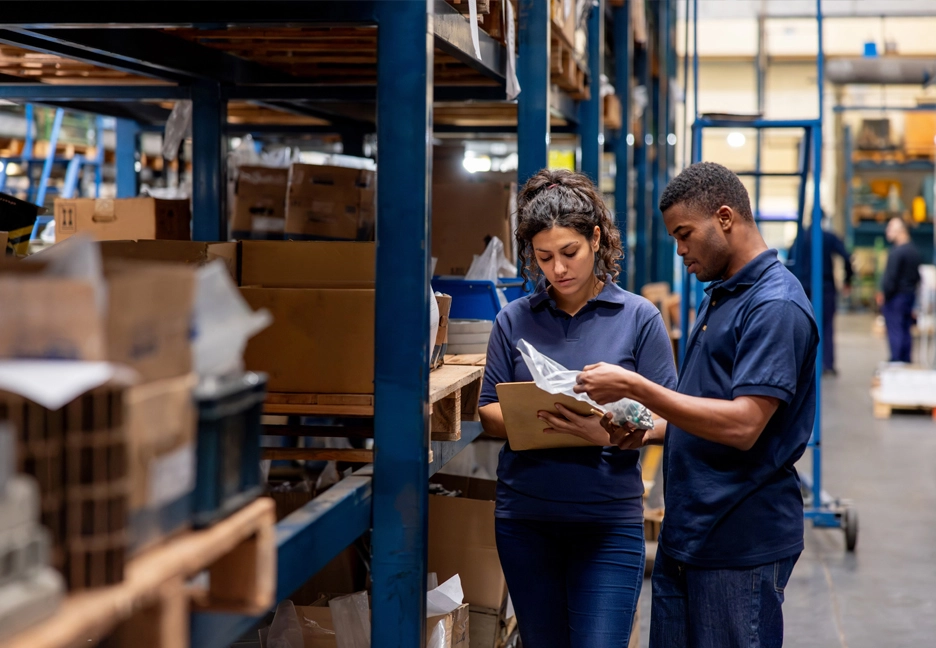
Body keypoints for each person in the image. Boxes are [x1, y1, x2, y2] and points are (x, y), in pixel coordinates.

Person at [574, 162, 819, 648]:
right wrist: (643, 428)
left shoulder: (774, 305)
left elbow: (745, 424)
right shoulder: (722, 295)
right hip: (689, 534)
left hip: (739, 543)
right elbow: (704, 409)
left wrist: (637, 387)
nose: (680, 250)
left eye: (684, 235)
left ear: (725, 217)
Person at [478, 168, 677, 648]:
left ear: (595, 239)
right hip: (526, 519)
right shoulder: (514, 319)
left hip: (607, 520)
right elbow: (488, 409)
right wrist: (543, 422)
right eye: (544, 258)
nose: (558, 269)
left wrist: (609, 431)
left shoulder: (637, 318)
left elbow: (669, 417)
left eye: (569, 253)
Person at [789, 215, 854, 375]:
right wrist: (848, 280)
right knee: (826, 326)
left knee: (802, 325)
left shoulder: (800, 238)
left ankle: (801, 365)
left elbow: (790, 260)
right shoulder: (828, 237)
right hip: (825, 287)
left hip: (802, 287)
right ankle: (827, 365)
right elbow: (847, 257)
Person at [877, 217, 922, 364]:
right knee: (905, 329)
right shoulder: (914, 251)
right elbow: (917, 277)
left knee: (895, 329)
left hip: (895, 298)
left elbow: (891, 278)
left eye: (891, 228)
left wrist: (886, 295)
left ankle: (896, 360)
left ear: (901, 231)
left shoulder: (897, 253)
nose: (887, 231)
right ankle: (905, 359)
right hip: (909, 296)